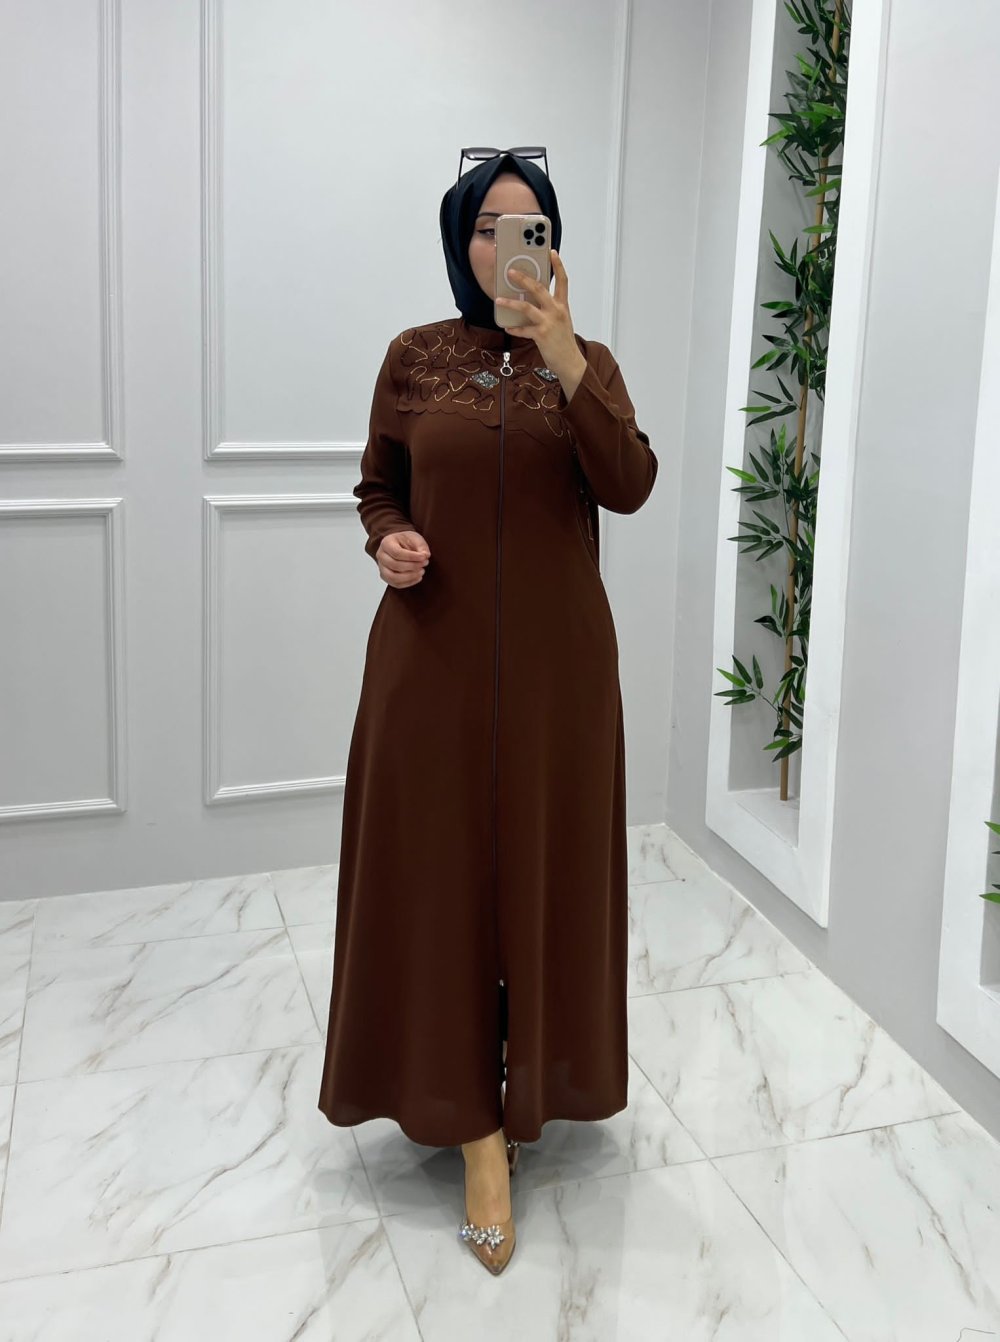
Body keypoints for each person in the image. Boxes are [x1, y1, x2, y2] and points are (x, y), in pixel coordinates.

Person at [317, 148, 657, 1275]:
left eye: (532, 226)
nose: (509, 246)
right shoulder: (413, 357)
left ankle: (533, 1091)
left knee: (546, 874)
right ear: (459, 239)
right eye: (487, 226)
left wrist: (563, 353)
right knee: (440, 882)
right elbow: (378, 483)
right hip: (430, 664)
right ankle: (470, 1132)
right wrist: (388, 539)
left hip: (562, 672)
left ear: (552, 246)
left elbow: (629, 483)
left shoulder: (588, 362)